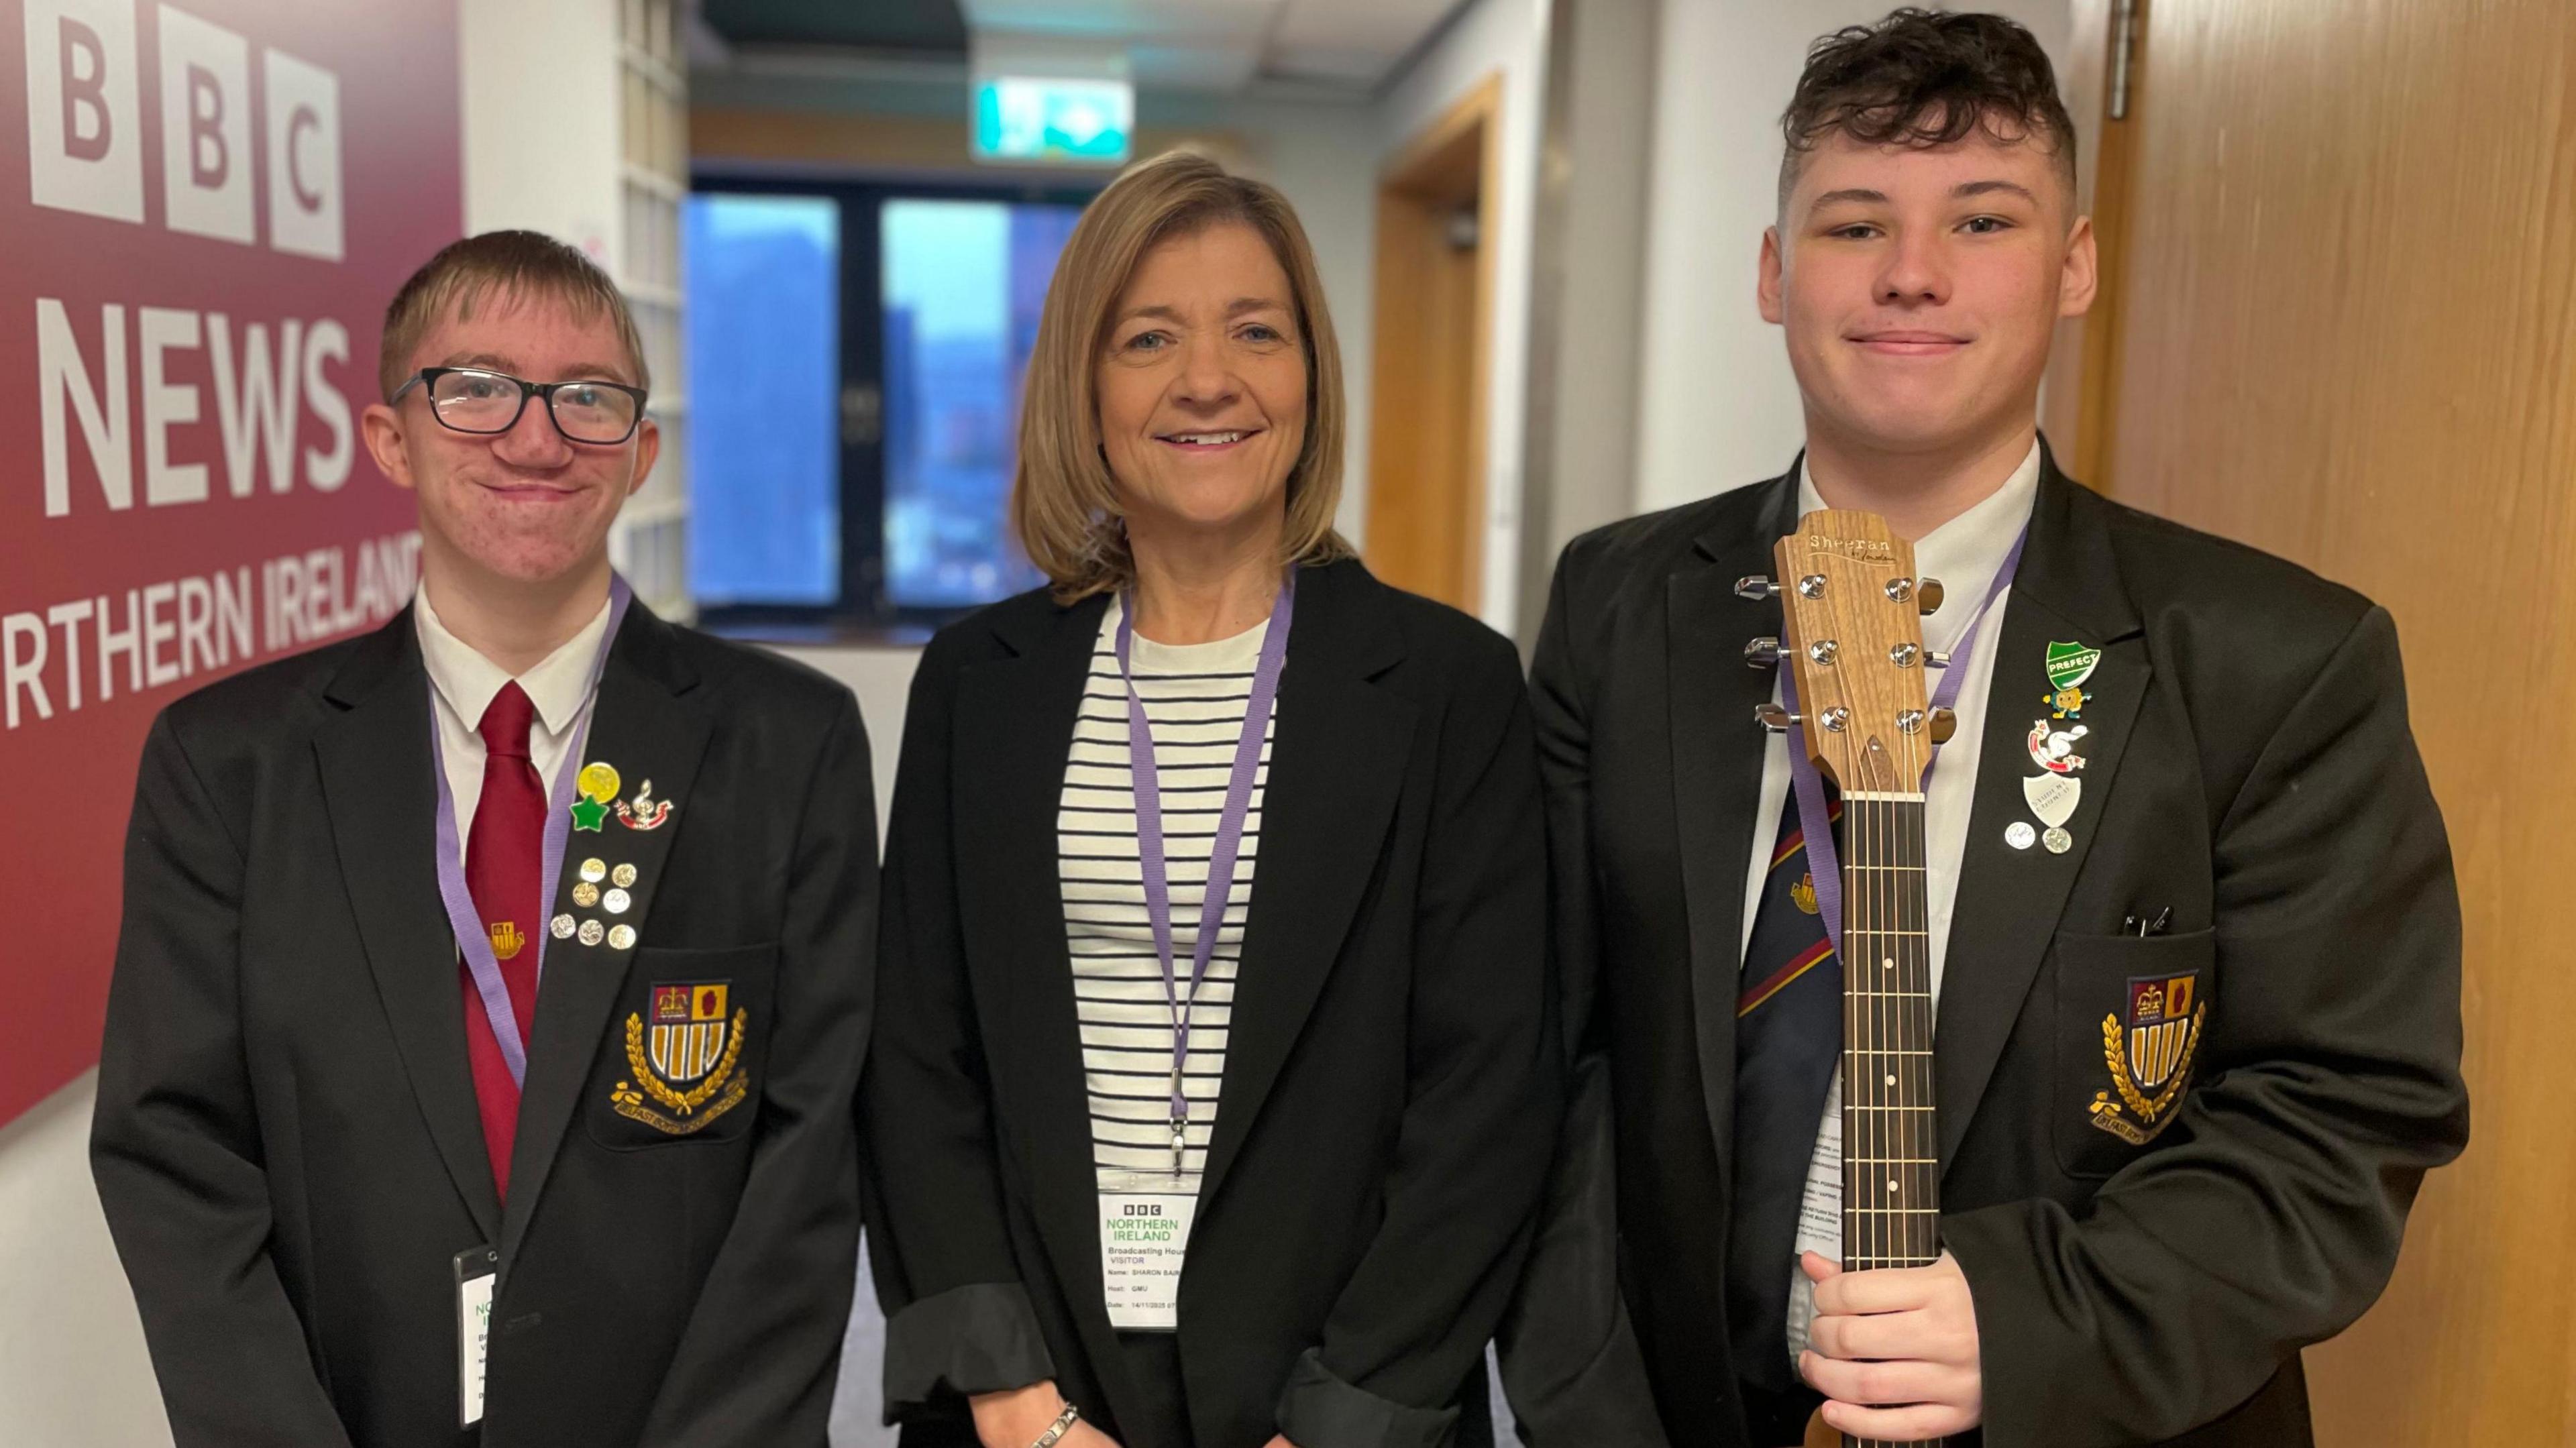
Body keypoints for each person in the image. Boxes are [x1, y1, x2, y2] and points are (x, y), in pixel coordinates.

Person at [1495, 11, 2467, 1447]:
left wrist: (2027, 1323)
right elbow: (1541, 1057)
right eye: (1853, 223)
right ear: (1773, 274)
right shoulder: (1620, 605)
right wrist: (1588, 1407)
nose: (1911, 273)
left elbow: (2342, 1113)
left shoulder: (2279, 660)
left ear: (2074, 266)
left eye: (1984, 218)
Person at [91, 230, 877, 1448]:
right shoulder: (227, 766)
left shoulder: (792, 745)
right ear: (389, 437)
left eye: (588, 399)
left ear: (640, 453)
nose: (536, 437)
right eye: (475, 389)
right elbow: (172, 1151)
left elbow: (812, 1156)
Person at [862, 152, 1558, 1448]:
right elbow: (917, 1058)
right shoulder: (980, 684)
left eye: (1255, 329)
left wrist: (1343, 1416)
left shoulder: (1448, 685)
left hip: (1341, 1392)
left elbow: (1490, 1093)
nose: (1207, 380)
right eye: (1148, 337)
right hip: (1037, 1389)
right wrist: (1014, 1403)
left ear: (1309, 374)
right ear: (1086, 380)